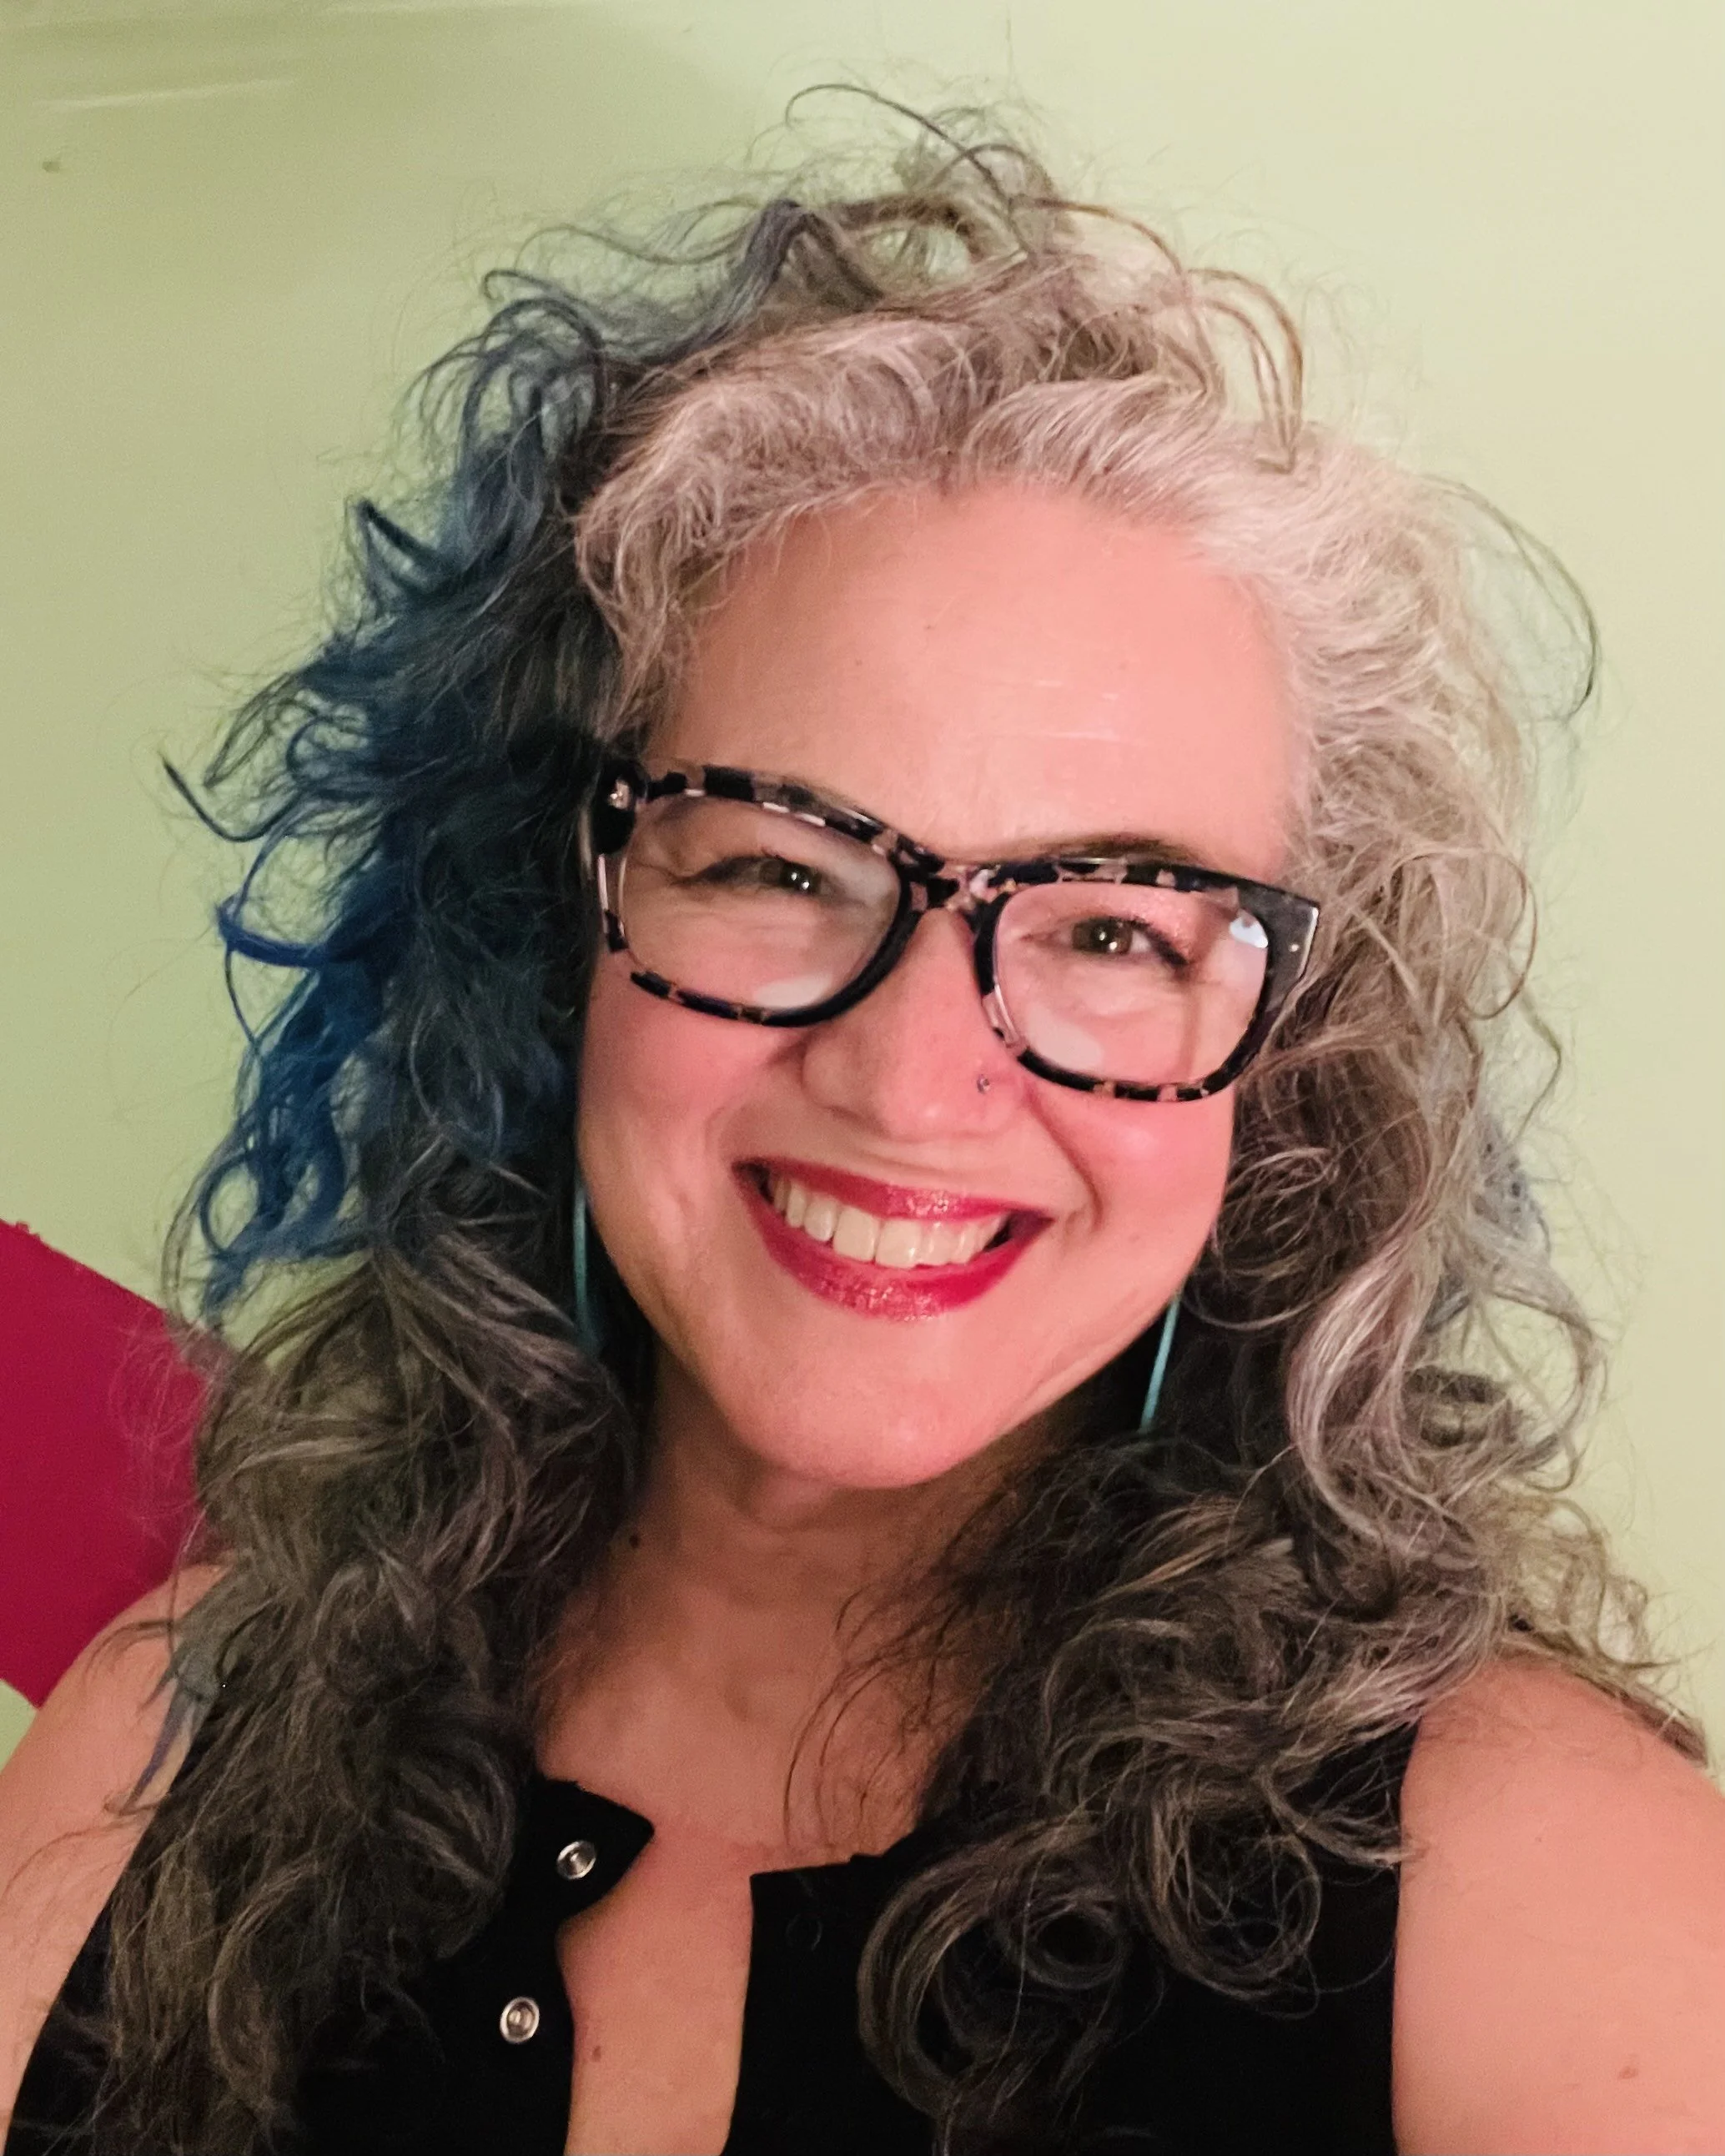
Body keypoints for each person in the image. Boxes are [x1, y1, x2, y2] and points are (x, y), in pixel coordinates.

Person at [2, 120, 1722, 2156]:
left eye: (1107, 927)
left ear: (1287, 1063)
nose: (912, 1083)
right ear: (562, 933)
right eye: (778, 867)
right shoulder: (166, 1731)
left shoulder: (1554, 1912)